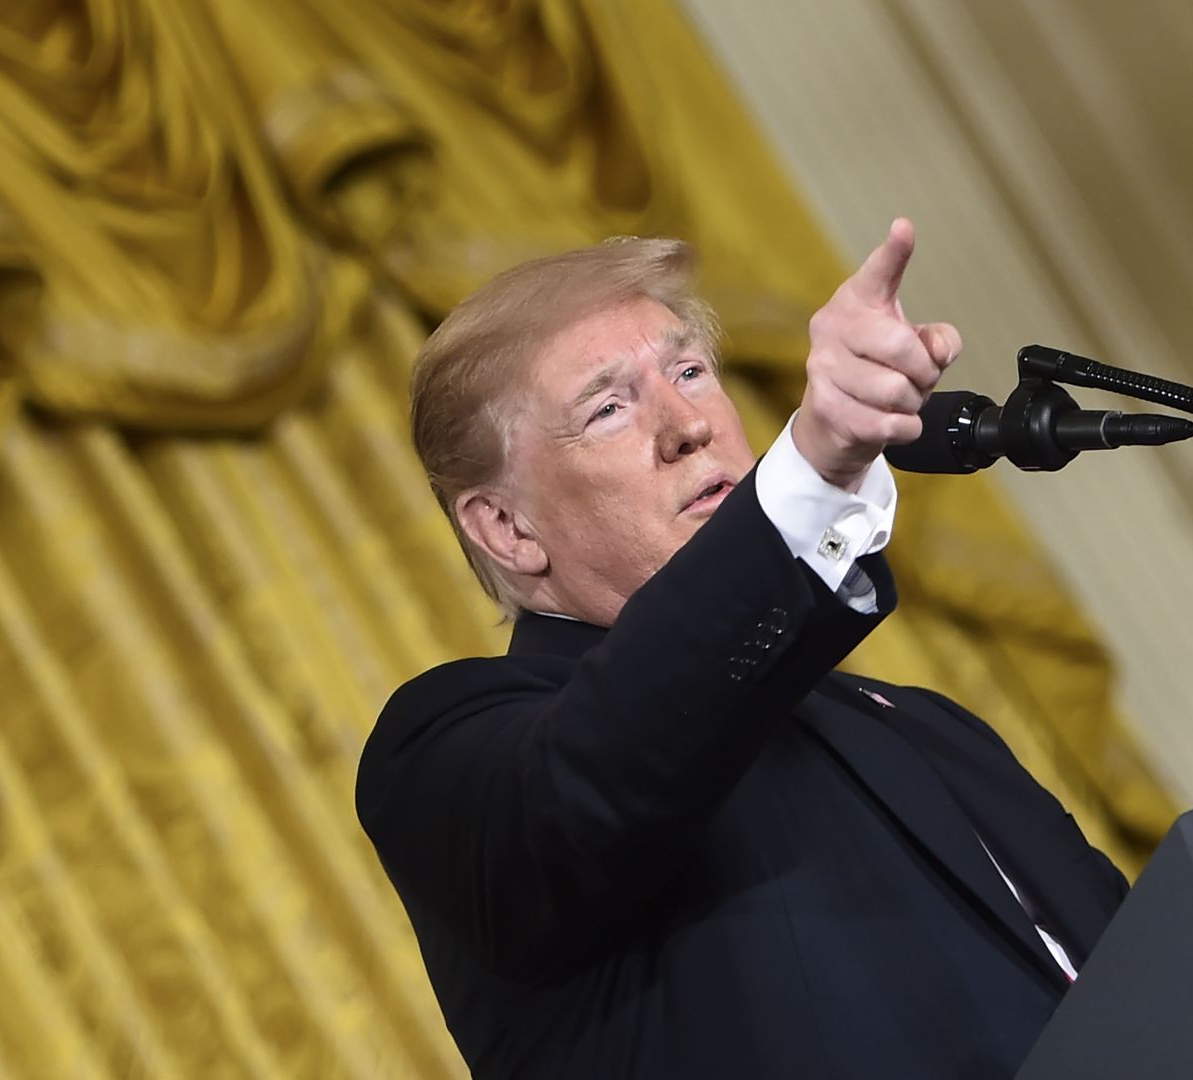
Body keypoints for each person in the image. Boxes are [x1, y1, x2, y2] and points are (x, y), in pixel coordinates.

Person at [357, 219, 1130, 1078]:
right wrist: (811, 477)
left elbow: (1141, 974)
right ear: (506, 527)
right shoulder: (441, 745)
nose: (688, 423)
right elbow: (594, 779)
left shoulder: (925, 728)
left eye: (689, 372)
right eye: (607, 407)